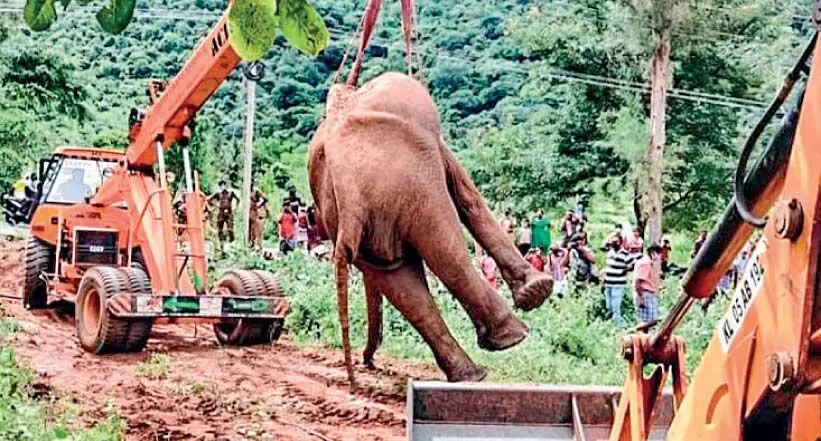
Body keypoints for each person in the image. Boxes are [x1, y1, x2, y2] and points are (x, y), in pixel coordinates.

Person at [602, 238, 636, 327]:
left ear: (620, 243)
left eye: (616, 242)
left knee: (615, 306)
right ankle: (612, 323)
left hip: (618, 283)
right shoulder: (610, 253)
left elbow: (633, 264)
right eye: (613, 242)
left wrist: (625, 270)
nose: (614, 243)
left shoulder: (625, 254)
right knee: (608, 306)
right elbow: (608, 266)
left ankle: (616, 326)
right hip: (608, 282)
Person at [633, 244, 663, 329]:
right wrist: (641, 298)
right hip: (645, 294)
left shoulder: (644, 262)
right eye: (658, 254)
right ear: (653, 253)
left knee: (646, 320)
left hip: (645, 293)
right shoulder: (645, 263)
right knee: (651, 320)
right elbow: (638, 282)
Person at [248, 183, 268, 250]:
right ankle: (250, 244)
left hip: (254, 211)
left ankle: (259, 245)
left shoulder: (256, 191)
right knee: (249, 229)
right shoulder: (246, 190)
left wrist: (258, 205)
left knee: (257, 229)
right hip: (248, 211)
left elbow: (265, 199)